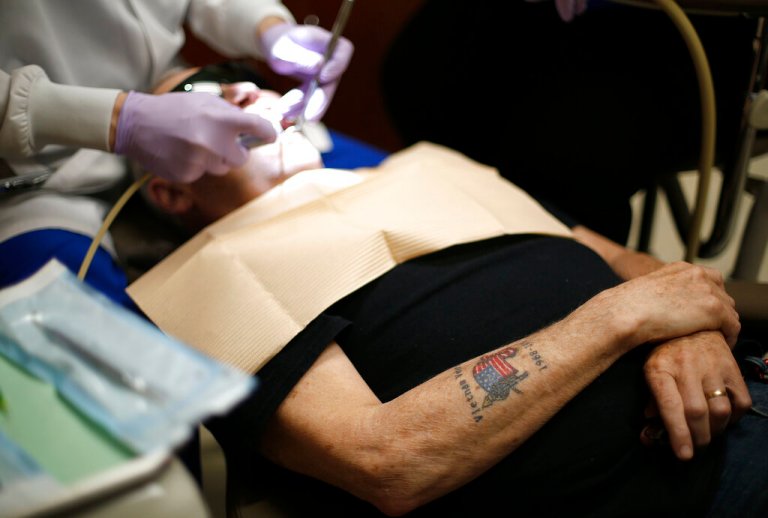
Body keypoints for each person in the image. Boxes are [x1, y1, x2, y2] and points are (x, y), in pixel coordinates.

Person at [128, 64, 768, 517]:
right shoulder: (209, 279)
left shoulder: (432, 166)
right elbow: (386, 461)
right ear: (169, 190)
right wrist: (623, 318)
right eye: (193, 95)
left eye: (243, 73)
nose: (242, 86)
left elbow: (637, 264)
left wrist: (689, 332)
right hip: (674, 490)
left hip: (744, 390)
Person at [0, 0, 353, 309]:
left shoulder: (354, 169)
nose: (246, 88)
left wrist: (268, 26)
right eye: (206, 92)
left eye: (228, 73)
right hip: (35, 167)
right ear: (171, 193)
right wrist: (119, 120)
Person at [381, 0, 759, 245]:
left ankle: (568, 297)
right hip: (559, 20)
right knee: (419, 67)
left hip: (709, 36)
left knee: (569, 139)